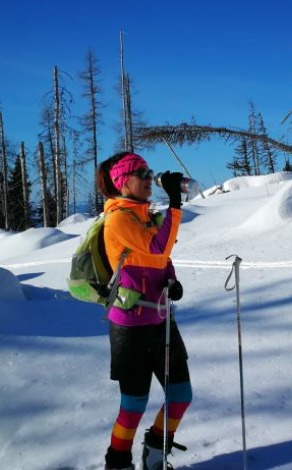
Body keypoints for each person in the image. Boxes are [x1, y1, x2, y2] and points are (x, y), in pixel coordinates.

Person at [96, 151, 192, 470]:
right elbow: (157, 247)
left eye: (150, 173)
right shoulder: (118, 219)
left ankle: (154, 453)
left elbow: (162, 258)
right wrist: (175, 202)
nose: (149, 179)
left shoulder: (144, 216)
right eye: (142, 174)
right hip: (130, 328)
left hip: (161, 321)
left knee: (180, 395)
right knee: (134, 404)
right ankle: (118, 463)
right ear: (123, 182)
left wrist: (171, 279)